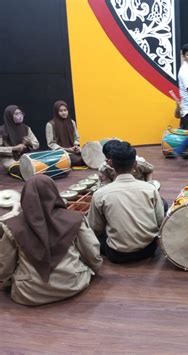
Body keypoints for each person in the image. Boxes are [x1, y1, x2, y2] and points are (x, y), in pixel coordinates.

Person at [0, 175, 102, 306]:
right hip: (72, 284)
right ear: (54, 192)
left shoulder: (11, 226)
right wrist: (95, 269)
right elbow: (92, 253)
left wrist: (7, 282)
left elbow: (5, 266)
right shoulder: (75, 219)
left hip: (29, 293)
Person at [88, 141, 165, 263]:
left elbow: (95, 228)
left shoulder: (99, 194)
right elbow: (161, 221)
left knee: (92, 230)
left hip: (117, 255)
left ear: (110, 163)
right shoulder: (150, 189)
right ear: (135, 164)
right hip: (149, 249)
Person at [0, 105, 39, 179]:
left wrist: (29, 142)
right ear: (9, 116)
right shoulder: (1, 131)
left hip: (25, 157)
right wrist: (14, 148)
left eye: (21, 113)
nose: (20, 116)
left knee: (41, 165)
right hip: (10, 159)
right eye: (16, 114)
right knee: (22, 170)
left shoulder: (26, 128)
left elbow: (36, 144)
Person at [45, 100, 85, 167]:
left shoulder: (72, 122)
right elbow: (51, 144)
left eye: (65, 110)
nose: (64, 113)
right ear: (56, 112)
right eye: (60, 111)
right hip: (60, 152)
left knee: (88, 155)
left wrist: (76, 146)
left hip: (72, 150)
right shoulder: (50, 124)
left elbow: (76, 137)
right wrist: (66, 149)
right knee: (80, 161)